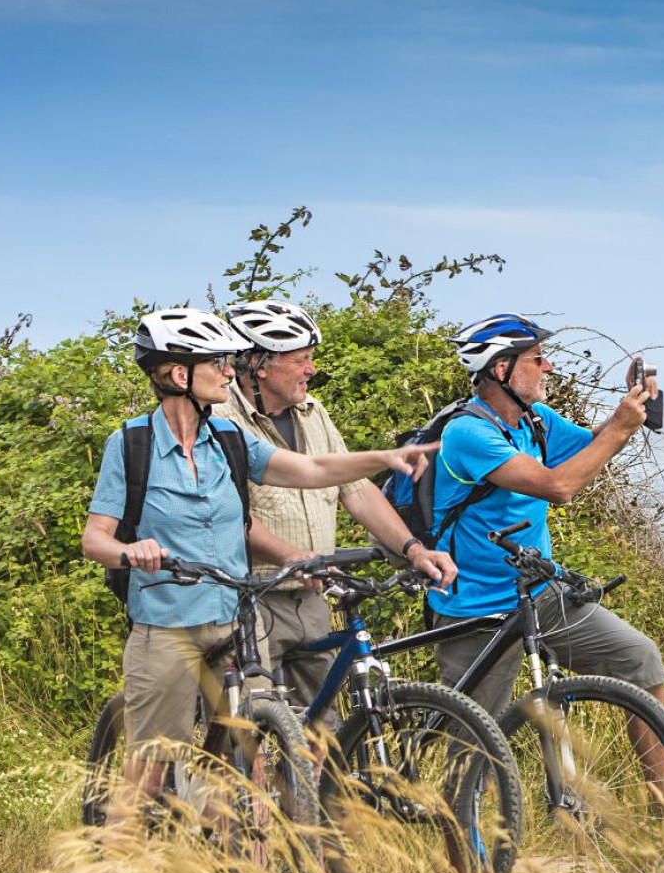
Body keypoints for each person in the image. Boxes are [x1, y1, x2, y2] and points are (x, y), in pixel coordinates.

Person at [78, 308, 433, 822]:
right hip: (166, 626)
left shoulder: (228, 440)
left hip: (233, 621)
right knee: (152, 770)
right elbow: (96, 540)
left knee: (252, 760)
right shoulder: (131, 445)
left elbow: (311, 469)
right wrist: (131, 552)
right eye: (219, 362)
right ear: (181, 375)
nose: (230, 370)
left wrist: (383, 458)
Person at [426, 314, 664, 785]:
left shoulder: (536, 420)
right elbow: (558, 486)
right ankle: (464, 846)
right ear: (500, 370)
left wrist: (631, 411)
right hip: (474, 608)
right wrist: (620, 428)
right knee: (473, 743)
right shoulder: (467, 433)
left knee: (639, 661)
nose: (549, 367)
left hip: (538, 593)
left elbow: (591, 449)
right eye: (537, 359)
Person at [218, 299, 457, 712]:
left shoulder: (314, 413)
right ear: (260, 364)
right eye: (302, 360)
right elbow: (228, 514)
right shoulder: (221, 420)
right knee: (250, 726)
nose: (312, 369)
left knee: (322, 730)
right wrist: (293, 556)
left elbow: (357, 491)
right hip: (249, 596)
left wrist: (413, 549)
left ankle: (304, 779)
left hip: (310, 596)